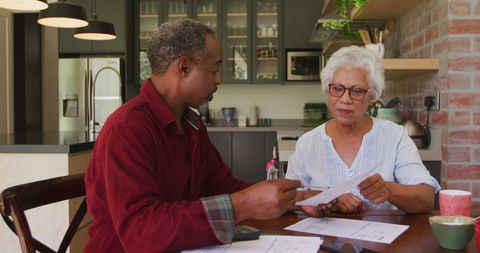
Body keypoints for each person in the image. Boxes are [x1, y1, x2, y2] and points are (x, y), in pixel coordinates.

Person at [84, 19, 302, 253]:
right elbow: (142, 233)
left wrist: (296, 200)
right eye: (214, 69)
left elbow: (222, 185)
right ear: (184, 67)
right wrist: (243, 205)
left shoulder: (192, 124)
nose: (219, 80)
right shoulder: (127, 128)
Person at [286, 45, 441, 215]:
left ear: (372, 96)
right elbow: (287, 198)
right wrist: (318, 199)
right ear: (327, 90)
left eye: (357, 91)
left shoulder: (394, 136)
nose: (345, 99)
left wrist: (389, 190)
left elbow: (426, 198)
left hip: (381, 239)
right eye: (337, 89)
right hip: (323, 239)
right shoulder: (308, 143)